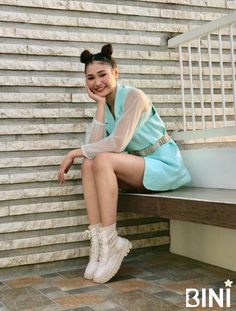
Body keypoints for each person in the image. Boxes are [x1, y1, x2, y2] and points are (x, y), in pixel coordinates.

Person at [58, 43, 191, 284]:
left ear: (115, 73)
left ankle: (111, 240)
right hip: (139, 166)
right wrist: (99, 106)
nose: (97, 82)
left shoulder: (134, 96)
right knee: (89, 164)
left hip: (163, 165)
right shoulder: (106, 105)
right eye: (90, 77)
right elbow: (93, 150)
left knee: (102, 157)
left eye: (102, 75)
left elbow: (117, 143)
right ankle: (99, 241)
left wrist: (73, 152)